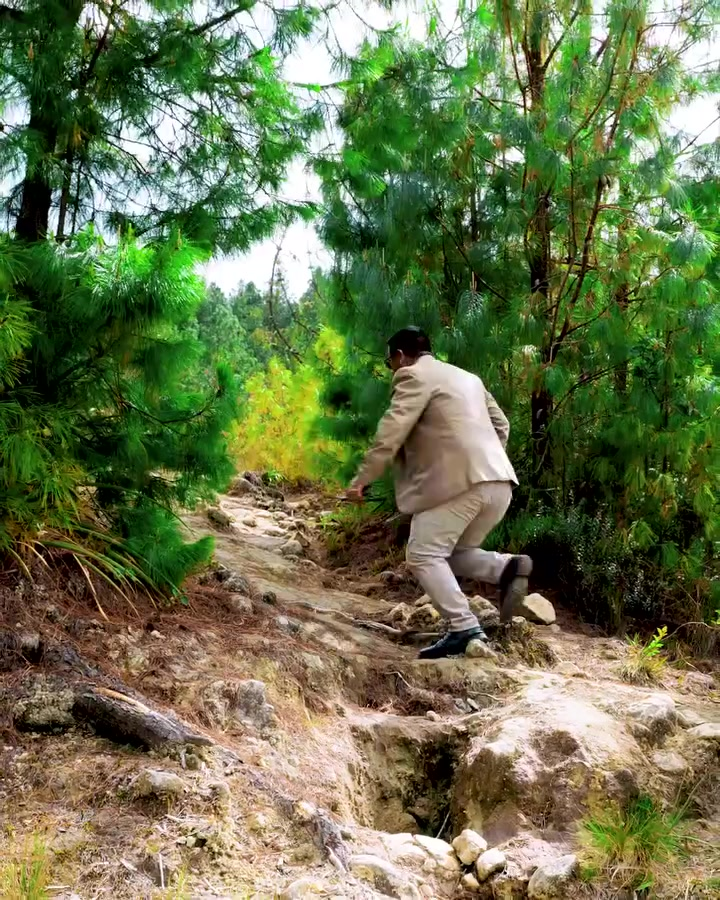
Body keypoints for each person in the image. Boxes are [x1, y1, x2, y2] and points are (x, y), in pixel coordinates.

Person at [345, 327, 532, 659]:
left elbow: (391, 431)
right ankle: (506, 568)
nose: (393, 370)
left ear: (399, 356)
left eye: (391, 362)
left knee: (421, 554)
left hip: (461, 487)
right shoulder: (468, 378)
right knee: (451, 553)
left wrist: (362, 479)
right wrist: (484, 463)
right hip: (499, 483)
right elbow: (502, 425)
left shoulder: (412, 376)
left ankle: (464, 628)